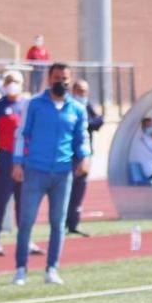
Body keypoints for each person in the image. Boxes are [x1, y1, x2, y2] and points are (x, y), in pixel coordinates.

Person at [11, 63, 89, 286]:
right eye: (56, 78)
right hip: (35, 170)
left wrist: (85, 157)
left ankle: (52, 268)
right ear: (49, 79)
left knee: (58, 222)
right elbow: (22, 134)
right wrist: (17, 163)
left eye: (65, 79)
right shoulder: (34, 104)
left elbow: (81, 138)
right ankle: (21, 269)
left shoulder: (77, 109)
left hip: (63, 173)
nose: (61, 82)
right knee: (26, 221)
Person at [0, 71, 34, 256]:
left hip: (25, 159)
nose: (12, 84)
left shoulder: (28, 106)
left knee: (24, 201)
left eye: (15, 81)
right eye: (9, 81)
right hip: (5, 158)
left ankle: (25, 240)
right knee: (0, 200)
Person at [65, 79, 103, 237]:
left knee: (79, 190)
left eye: (84, 91)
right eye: (79, 90)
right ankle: (61, 224)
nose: (82, 94)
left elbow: (98, 121)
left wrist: (90, 122)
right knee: (65, 189)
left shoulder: (87, 106)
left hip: (85, 155)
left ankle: (73, 224)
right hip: (68, 155)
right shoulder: (68, 106)